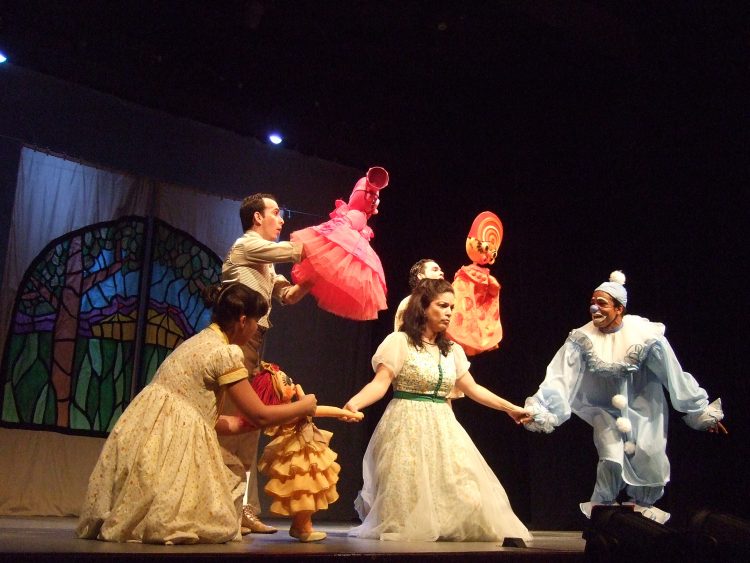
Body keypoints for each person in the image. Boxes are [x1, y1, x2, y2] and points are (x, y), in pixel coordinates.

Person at [76, 284, 317, 544]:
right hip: (173, 438)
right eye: (255, 322)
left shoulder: (197, 341)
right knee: (211, 511)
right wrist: (304, 406)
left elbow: (218, 421)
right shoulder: (224, 354)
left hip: (145, 429)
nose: (255, 329)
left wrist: (263, 421)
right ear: (242, 320)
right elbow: (259, 415)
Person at [523, 271, 726, 524]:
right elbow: (560, 376)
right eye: (592, 302)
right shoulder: (582, 338)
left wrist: (699, 412)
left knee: (649, 458)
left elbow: (673, 375)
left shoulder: (644, 336)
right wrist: (541, 408)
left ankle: (640, 523)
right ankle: (603, 518)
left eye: (602, 303)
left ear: (619, 309)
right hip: (604, 409)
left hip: (644, 407)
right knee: (610, 458)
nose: (594, 308)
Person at [344, 278, 532, 542]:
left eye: (452, 307)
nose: (449, 313)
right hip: (406, 421)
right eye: (442, 306)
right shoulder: (399, 342)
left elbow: (473, 388)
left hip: (443, 423)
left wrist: (509, 408)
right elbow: (380, 384)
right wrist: (354, 403)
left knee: (465, 488)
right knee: (408, 490)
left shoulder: (451, 349)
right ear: (423, 307)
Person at [219, 192, 312, 534]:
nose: (282, 218)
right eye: (276, 212)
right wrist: (328, 246)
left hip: (255, 342)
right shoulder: (246, 246)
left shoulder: (266, 262)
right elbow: (294, 250)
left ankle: (241, 509)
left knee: (248, 429)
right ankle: (222, 508)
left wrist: (315, 279)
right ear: (257, 218)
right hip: (234, 342)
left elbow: (287, 295)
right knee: (231, 423)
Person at [251, 362, 363, 542]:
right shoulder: (288, 411)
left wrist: (302, 396)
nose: (291, 382)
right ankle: (303, 528)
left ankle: (300, 525)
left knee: (307, 492)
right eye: (286, 382)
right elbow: (319, 410)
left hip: (303, 451)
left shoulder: (286, 409)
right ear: (278, 393)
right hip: (299, 456)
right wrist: (349, 414)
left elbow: (310, 407)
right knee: (305, 491)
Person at [291, 166, 388, 321]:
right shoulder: (356, 214)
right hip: (342, 236)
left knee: (319, 268)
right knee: (313, 256)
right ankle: (291, 291)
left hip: (345, 241)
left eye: (376, 198)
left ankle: (291, 293)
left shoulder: (360, 217)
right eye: (370, 195)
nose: (374, 201)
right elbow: (345, 221)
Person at [392, 258, 444, 332]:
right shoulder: (409, 302)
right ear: (421, 276)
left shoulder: (448, 301)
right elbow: (400, 334)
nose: (441, 273)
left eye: (440, 270)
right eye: (435, 270)